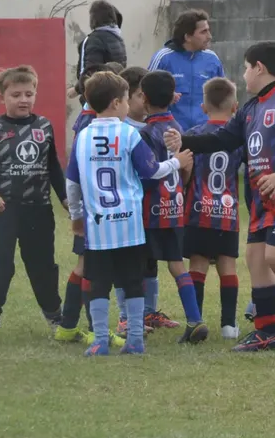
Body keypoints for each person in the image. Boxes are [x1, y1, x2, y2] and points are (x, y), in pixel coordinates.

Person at [167, 41, 275, 354]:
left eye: (245, 68)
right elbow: (223, 138)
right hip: (262, 196)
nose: (243, 76)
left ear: (259, 67)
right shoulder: (251, 109)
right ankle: (267, 330)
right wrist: (183, 141)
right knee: (256, 258)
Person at [65, 71, 192, 356]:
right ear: (115, 103)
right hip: (130, 224)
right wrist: (176, 162)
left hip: (98, 228)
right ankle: (135, 340)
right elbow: (151, 171)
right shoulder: (129, 134)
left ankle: (99, 340)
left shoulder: (82, 136)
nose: (127, 106)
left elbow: (72, 184)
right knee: (133, 282)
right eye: (125, 100)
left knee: (99, 282)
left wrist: (76, 217)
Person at [0, 66, 67, 342]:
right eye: (15, 95)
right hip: (3, 210)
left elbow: (54, 168)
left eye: (29, 94)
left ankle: (54, 315)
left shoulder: (44, 127)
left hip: (38, 208)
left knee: (42, 264)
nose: (23, 100)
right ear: (2, 97)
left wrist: (64, 197)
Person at [57, 61, 130, 345]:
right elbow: (76, 174)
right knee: (93, 270)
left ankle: (67, 326)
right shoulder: (95, 127)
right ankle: (93, 328)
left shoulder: (85, 122)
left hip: (89, 209)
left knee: (83, 266)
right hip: (97, 211)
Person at [139, 70, 209, 344]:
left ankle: (135, 320)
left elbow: (145, 175)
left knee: (140, 265)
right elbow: (187, 172)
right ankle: (194, 319)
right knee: (177, 265)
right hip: (175, 209)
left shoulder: (145, 134)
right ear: (173, 98)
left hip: (150, 211)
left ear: (143, 98)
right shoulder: (180, 129)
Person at [183, 77, 245, 340]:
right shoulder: (239, 138)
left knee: (197, 265)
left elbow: (185, 171)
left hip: (198, 211)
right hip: (227, 213)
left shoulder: (195, 135)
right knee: (227, 267)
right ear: (235, 107)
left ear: (203, 107)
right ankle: (229, 326)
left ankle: (195, 321)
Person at [114, 66, 159, 337]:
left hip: (153, 208)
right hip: (128, 209)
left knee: (150, 260)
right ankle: (125, 317)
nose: (148, 100)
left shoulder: (155, 126)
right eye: (143, 95)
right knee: (128, 263)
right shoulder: (122, 130)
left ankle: (149, 312)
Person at [148, 9, 225, 131]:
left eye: (208, 31)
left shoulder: (212, 59)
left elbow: (224, 96)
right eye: (203, 32)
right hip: (172, 135)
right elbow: (146, 94)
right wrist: (165, 96)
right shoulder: (163, 58)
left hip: (205, 134)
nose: (209, 36)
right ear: (188, 37)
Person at [76, 0, 127, 82]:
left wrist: (77, 89)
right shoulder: (118, 39)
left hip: (98, 91)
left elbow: (89, 73)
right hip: (116, 90)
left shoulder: (93, 40)